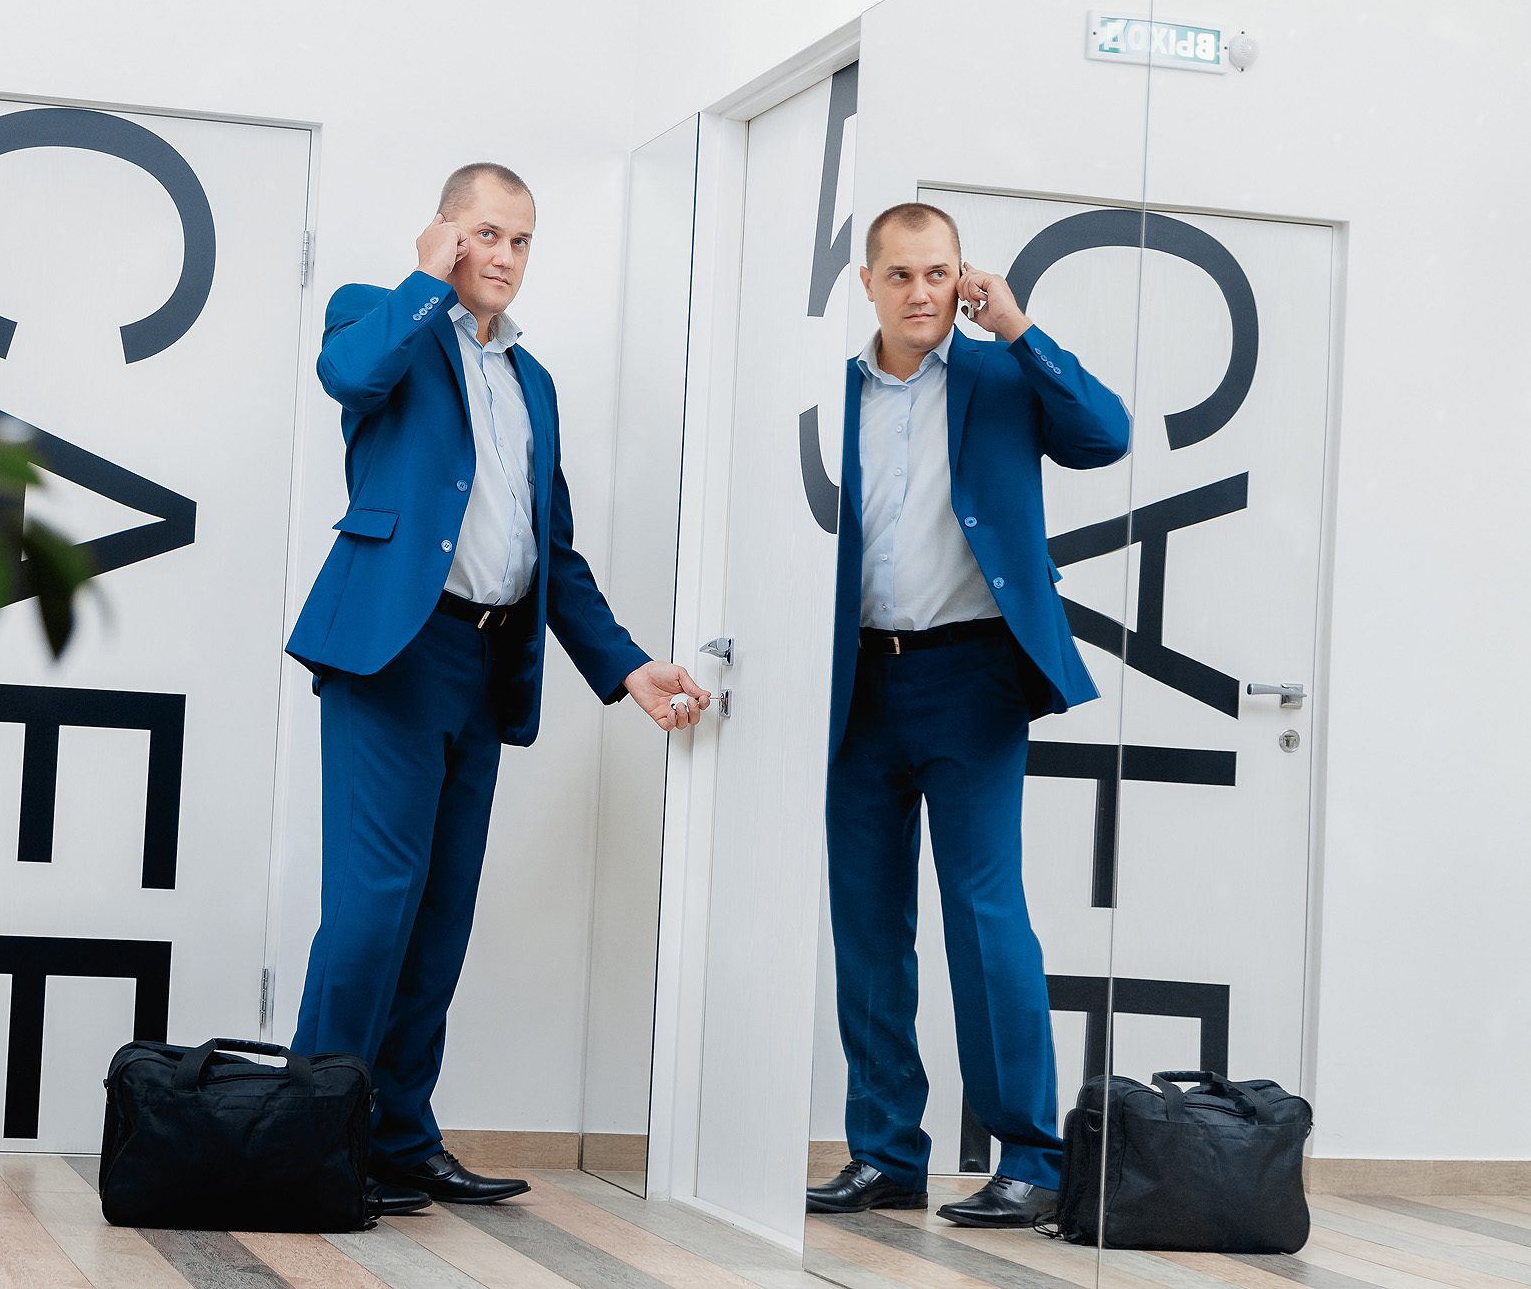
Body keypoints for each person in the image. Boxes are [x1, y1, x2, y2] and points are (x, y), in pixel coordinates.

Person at [285, 163, 711, 1212]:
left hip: (484, 663)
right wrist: (423, 279)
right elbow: (350, 379)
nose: (505, 258)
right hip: (393, 652)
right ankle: (311, 1139)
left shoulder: (534, 381)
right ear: (442, 233)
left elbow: (550, 549)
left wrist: (625, 664)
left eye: (521, 240)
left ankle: (397, 1136)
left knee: (439, 917)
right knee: (371, 909)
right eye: (485, 233)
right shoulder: (381, 315)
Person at [804, 203, 1131, 1227]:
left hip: (971, 677)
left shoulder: (1000, 373)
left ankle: (1030, 1157)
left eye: (937, 273)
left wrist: (1019, 328)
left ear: (963, 279)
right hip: (855, 681)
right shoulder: (827, 391)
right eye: (900, 274)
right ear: (867, 283)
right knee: (866, 922)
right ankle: (885, 1153)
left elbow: (1105, 434)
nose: (920, 293)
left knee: (985, 915)